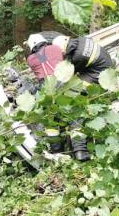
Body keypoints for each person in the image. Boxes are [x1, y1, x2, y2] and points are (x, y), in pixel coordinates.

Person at [24, 33, 91, 161]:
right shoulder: (54, 48)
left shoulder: (31, 60)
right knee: (75, 117)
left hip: (47, 90)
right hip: (63, 84)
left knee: (52, 122)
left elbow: (42, 64)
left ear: (32, 47)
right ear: (44, 41)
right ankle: (80, 151)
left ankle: (57, 153)